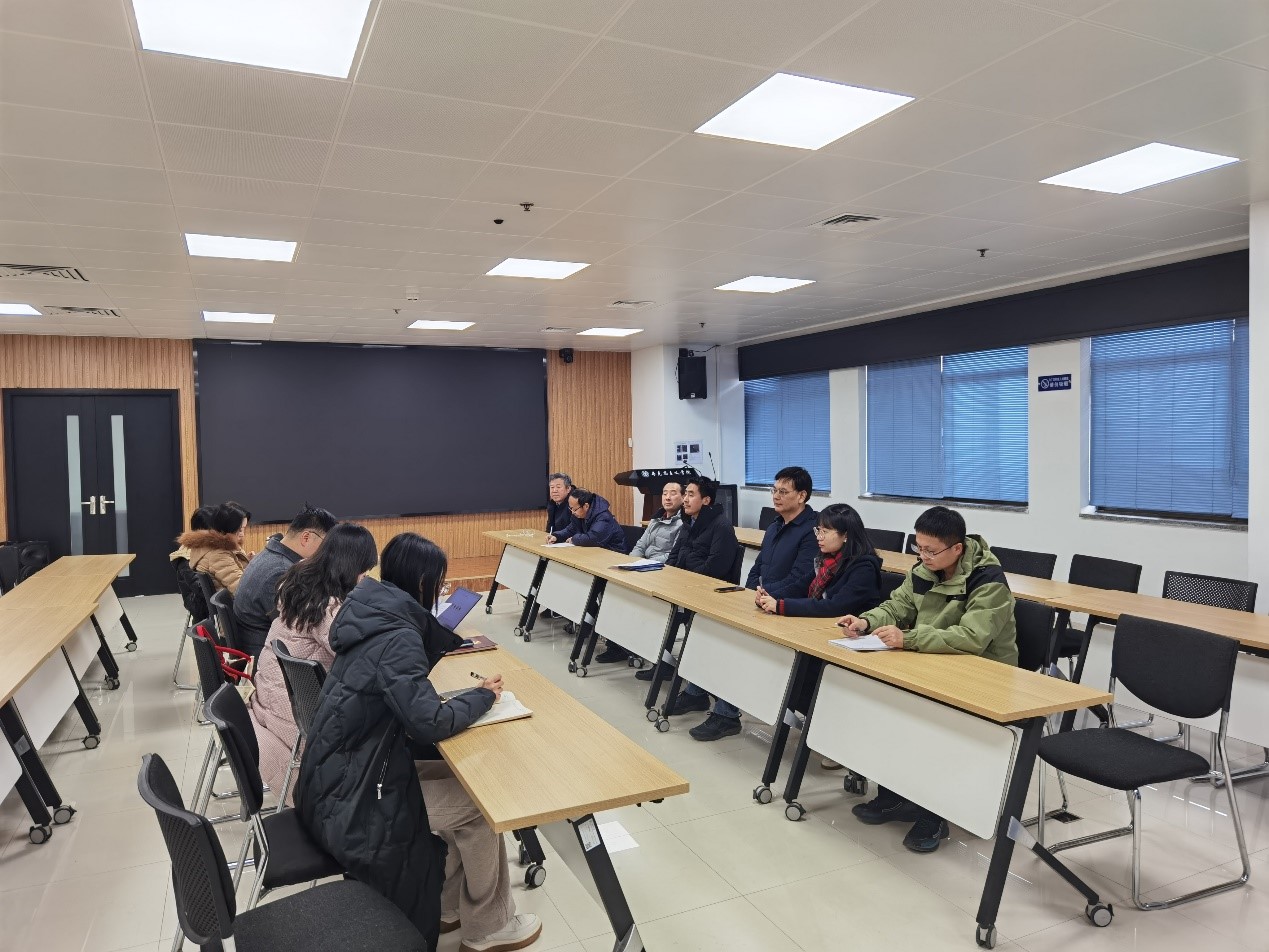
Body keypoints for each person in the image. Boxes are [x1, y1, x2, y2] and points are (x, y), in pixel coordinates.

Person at [297, 532, 541, 952]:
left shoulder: (371, 615)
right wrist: (483, 697)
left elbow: (406, 701)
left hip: (337, 776)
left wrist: (462, 692)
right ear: (425, 582)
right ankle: (488, 927)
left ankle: (447, 905)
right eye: (440, 583)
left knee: (459, 781)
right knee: (481, 807)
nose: (441, 592)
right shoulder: (399, 636)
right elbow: (428, 723)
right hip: (355, 799)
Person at [837, 506, 1017, 854]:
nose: (922, 556)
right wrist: (866, 622)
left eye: (931, 550)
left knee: (934, 725)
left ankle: (933, 814)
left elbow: (973, 637)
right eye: (918, 548)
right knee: (887, 707)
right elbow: (897, 606)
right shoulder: (924, 569)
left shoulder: (988, 581)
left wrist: (910, 638)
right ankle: (895, 796)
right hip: (933, 660)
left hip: (982, 673)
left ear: (957, 549)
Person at [248, 522, 376, 805]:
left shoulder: (300, 582)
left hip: (274, 702)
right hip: (298, 722)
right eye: (363, 570)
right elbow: (358, 652)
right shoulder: (327, 607)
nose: (365, 576)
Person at [636, 477, 738, 685]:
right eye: (686, 495)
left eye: (691, 495)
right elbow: (675, 556)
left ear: (706, 500)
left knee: (666, 611)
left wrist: (686, 570)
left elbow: (714, 569)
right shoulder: (689, 522)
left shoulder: (721, 526)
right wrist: (667, 578)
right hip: (684, 586)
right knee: (653, 603)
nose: (685, 500)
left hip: (708, 593)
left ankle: (692, 680)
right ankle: (663, 663)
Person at [594, 481, 684, 665]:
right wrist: (632, 563)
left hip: (661, 572)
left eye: (673, 493)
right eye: (664, 493)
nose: (667, 497)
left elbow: (673, 555)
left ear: (683, 498)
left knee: (628, 598)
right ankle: (617, 644)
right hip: (642, 567)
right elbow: (640, 545)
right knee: (611, 591)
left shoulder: (683, 524)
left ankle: (629, 645)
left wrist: (645, 564)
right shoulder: (656, 519)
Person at [234, 504, 337, 658]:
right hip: (265, 659)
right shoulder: (281, 572)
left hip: (261, 647)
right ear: (306, 537)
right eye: (326, 546)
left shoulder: (269, 556)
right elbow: (299, 627)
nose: (326, 553)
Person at [756, 503, 882, 619]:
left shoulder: (864, 569)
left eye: (825, 532)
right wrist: (770, 596)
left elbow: (835, 606)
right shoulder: (827, 560)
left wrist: (781, 606)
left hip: (851, 631)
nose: (819, 537)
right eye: (818, 530)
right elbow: (800, 587)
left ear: (846, 536)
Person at [749, 466, 819, 605]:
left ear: (801, 496)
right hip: (763, 600)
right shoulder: (773, 527)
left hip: (787, 605)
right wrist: (751, 590)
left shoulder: (813, 531)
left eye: (783, 492)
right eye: (774, 490)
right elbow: (757, 567)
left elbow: (799, 580)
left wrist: (764, 593)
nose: (775, 496)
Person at [177, 501, 252, 594]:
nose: (242, 534)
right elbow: (241, 590)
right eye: (240, 529)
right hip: (234, 599)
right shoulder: (218, 553)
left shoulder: (207, 548)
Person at [550, 488, 627, 552]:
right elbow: (570, 530)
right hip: (596, 552)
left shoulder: (603, 517)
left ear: (586, 506)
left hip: (614, 554)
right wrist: (557, 536)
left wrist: (574, 539)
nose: (572, 512)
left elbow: (593, 539)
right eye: (571, 509)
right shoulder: (579, 514)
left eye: (575, 509)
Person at [545, 472, 572, 538]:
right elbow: (549, 529)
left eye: (558, 487)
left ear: (568, 489)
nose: (554, 490)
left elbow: (574, 529)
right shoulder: (552, 504)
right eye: (552, 487)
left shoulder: (574, 503)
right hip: (557, 539)